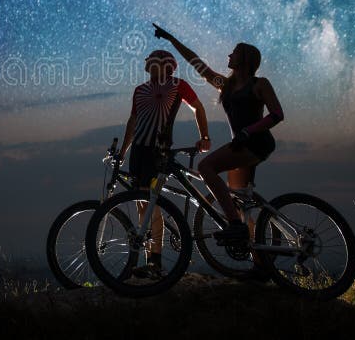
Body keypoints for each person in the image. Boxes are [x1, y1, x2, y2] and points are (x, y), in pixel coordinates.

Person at [152, 24, 284, 244]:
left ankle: (235, 227)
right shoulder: (227, 86)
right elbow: (197, 64)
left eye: (234, 52)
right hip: (240, 146)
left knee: (206, 167)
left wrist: (247, 131)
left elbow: (277, 114)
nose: (229, 55)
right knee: (238, 201)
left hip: (256, 143)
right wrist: (171, 39)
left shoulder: (259, 84)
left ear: (244, 59)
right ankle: (259, 261)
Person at [117, 49, 211, 278]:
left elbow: (198, 107)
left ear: (166, 65)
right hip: (138, 151)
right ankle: (151, 260)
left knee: (151, 202)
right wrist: (122, 152)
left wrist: (205, 136)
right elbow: (133, 121)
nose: (149, 65)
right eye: (149, 62)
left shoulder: (178, 85)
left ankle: (155, 261)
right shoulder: (139, 90)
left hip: (158, 150)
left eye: (153, 62)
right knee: (142, 204)